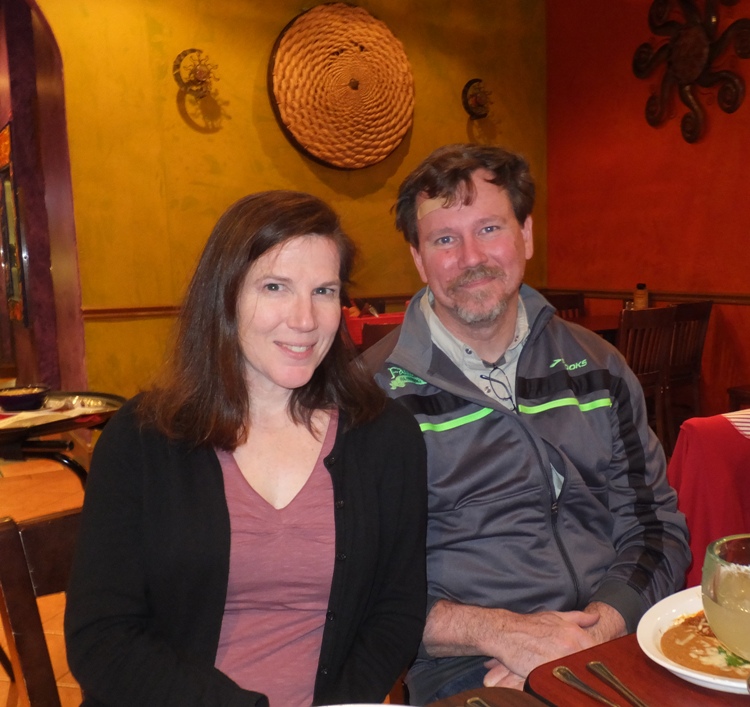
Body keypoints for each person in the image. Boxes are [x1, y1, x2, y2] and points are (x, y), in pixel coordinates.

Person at [64, 190, 428, 707]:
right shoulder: (141, 439)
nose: (305, 318)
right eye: (276, 286)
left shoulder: (385, 438)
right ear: (226, 295)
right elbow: (101, 638)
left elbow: (397, 611)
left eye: (324, 291)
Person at [362, 144, 690, 704]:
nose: (471, 257)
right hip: (471, 666)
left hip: (615, 636)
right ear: (418, 259)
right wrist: (506, 635)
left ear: (526, 236)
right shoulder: (370, 398)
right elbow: (356, 588)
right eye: (445, 239)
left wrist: (595, 629)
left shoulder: (598, 366)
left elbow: (656, 524)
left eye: (489, 228)